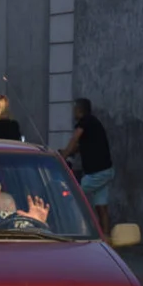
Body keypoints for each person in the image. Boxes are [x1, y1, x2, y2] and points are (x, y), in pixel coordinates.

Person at [59, 98, 114, 234]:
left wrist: (62, 157)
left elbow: (74, 140)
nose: (73, 112)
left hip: (96, 173)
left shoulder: (85, 122)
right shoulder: (93, 123)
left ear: (79, 109)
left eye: (74, 109)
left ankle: (77, 231)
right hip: (105, 171)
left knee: (71, 193)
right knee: (101, 208)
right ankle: (106, 238)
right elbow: (81, 147)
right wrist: (66, 152)